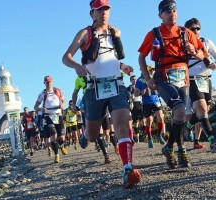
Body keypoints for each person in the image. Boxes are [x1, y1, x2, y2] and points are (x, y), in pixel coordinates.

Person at [62, 0, 141, 189]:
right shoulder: (84, 33)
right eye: (99, 10)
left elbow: (111, 59)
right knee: (92, 135)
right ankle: (84, 135)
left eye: (106, 9)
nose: (103, 13)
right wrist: (78, 66)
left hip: (116, 84)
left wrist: (124, 67)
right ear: (92, 14)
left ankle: (127, 169)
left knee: (122, 123)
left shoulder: (115, 32)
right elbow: (66, 57)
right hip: (94, 88)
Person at [138, 0, 204, 169]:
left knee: (179, 115)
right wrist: (147, 78)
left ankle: (171, 148)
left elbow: (203, 54)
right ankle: (181, 150)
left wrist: (194, 51)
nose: (172, 13)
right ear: (160, 15)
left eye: (174, 10)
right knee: (180, 110)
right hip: (163, 77)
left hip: (183, 77)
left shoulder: (186, 32)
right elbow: (141, 57)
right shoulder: (154, 33)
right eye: (167, 11)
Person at [184, 18, 216, 151]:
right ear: (187, 31)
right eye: (192, 28)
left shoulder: (206, 42)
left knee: (204, 109)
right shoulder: (182, 45)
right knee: (201, 107)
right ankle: (213, 139)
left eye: (197, 28)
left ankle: (189, 124)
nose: (195, 31)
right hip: (191, 79)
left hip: (206, 79)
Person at [34, 75, 67, 163]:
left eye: (50, 82)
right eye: (47, 82)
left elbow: (64, 101)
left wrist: (62, 105)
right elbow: (35, 107)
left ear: (52, 82)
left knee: (61, 137)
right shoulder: (42, 94)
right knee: (53, 134)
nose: (48, 83)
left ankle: (62, 146)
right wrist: (41, 109)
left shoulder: (58, 91)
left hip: (58, 115)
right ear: (44, 83)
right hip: (48, 116)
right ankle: (56, 155)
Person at [134, 65, 166, 148]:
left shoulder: (153, 78)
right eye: (149, 70)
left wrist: (156, 88)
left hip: (155, 100)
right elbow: (135, 93)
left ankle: (159, 135)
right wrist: (141, 92)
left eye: (151, 70)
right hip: (146, 102)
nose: (151, 71)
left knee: (161, 117)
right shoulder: (139, 80)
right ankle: (149, 139)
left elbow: (160, 87)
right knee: (148, 120)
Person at [127, 75, 145, 143]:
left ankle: (145, 135)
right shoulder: (129, 88)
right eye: (133, 79)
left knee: (143, 121)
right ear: (130, 80)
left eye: (135, 79)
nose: (134, 80)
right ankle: (137, 137)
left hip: (140, 104)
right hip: (133, 105)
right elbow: (128, 97)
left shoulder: (140, 86)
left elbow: (143, 94)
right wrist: (131, 101)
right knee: (135, 122)